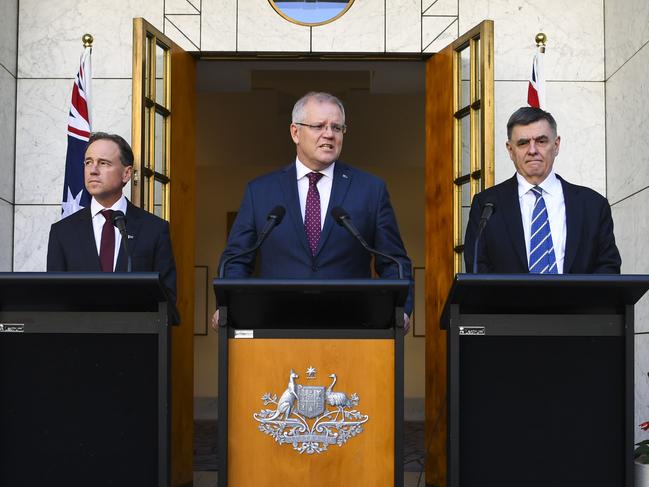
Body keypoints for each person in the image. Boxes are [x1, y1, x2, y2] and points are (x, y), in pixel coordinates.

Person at [217, 91, 412, 326]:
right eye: (319, 126)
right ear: (295, 132)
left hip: (352, 328)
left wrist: (402, 309)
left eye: (337, 128)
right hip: (276, 327)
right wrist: (228, 307)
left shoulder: (371, 189)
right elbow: (236, 260)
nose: (329, 134)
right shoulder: (260, 191)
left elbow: (394, 262)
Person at [464, 106, 621, 274]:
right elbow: (478, 271)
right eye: (523, 143)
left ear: (556, 145)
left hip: (578, 301)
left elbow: (608, 268)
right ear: (510, 150)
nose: (532, 150)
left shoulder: (593, 205)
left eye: (541, 141)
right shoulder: (486, 206)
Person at [47, 132, 179, 323]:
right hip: (78, 345)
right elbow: (54, 300)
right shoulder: (62, 232)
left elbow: (168, 300)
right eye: (88, 162)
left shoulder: (154, 229)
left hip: (135, 345)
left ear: (126, 173)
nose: (93, 170)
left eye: (103, 163)